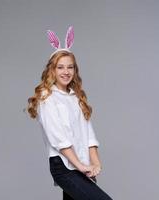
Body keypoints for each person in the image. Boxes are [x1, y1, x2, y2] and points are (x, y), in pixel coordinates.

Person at [26, 26, 113, 200]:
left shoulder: (76, 97)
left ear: (75, 70)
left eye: (70, 67)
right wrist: (80, 165)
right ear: (52, 70)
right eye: (60, 67)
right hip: (64, 166)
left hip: (80, 163)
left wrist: (95, 162)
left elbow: (89, 134)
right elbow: (59, 139)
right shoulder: (47, 98)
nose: (66, 72)